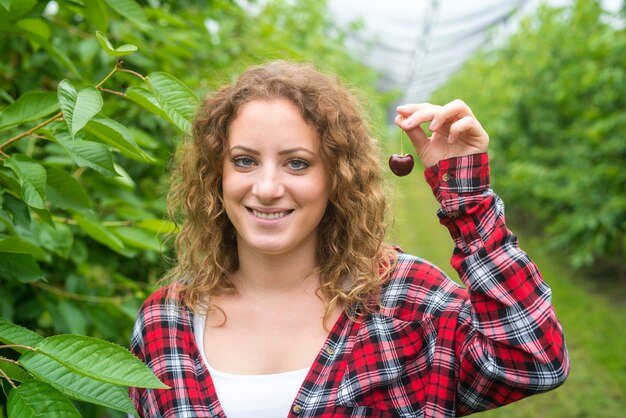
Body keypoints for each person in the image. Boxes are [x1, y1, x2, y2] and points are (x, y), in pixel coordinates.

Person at [129, 60, 569, 417]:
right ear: (216, 176)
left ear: (336, 178)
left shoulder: (406, 304)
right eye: (244, 161)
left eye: (297, 163)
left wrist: (467, 200)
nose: (265, 187)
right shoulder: (165, 323)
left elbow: (532, 360)